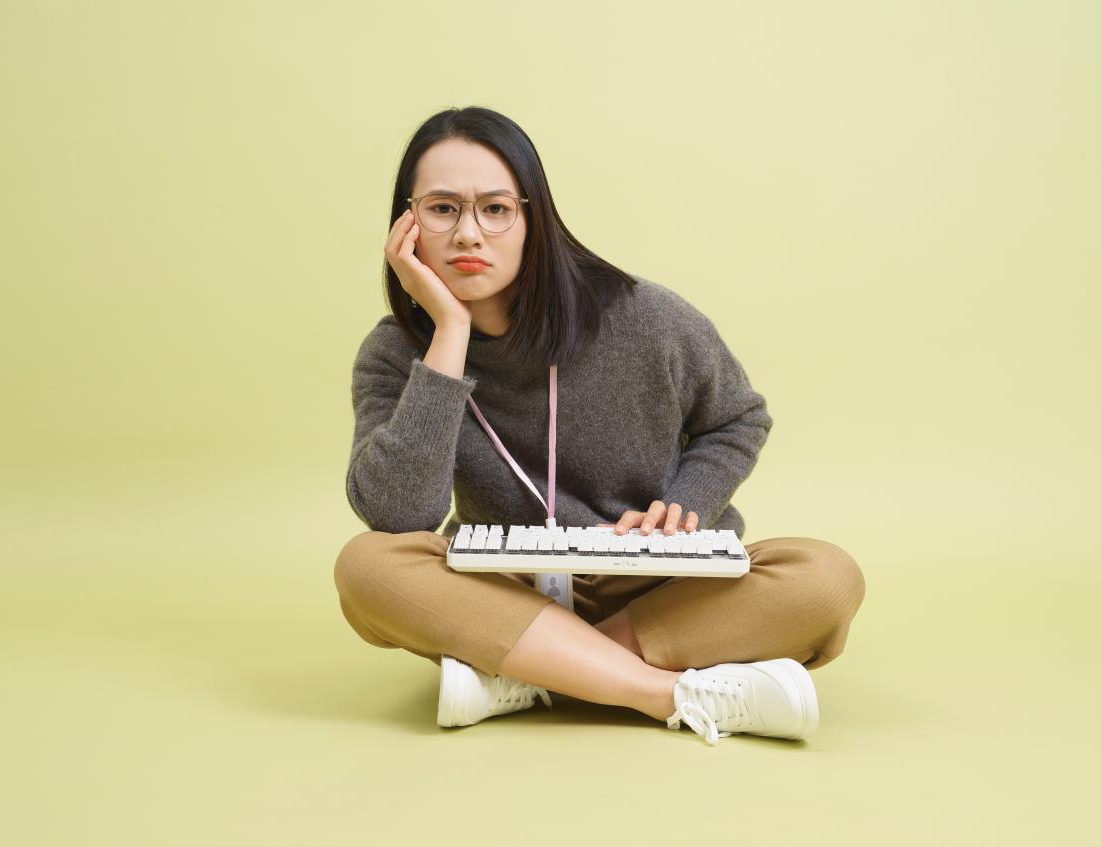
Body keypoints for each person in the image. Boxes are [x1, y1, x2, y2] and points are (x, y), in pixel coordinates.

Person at [334, 106, 866, 745]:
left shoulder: (644, 317)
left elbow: (738, 418)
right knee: (366, 567)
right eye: (442, 208)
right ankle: (665, 693)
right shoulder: (395, 352)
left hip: (656, 586)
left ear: (534, 219)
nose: (469, 234)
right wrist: (448, 333)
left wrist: (683, 506)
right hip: (506, 591)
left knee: (827, 578)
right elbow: (399, 514)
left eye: (496, 208)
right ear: (406, 223)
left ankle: (525, 674)